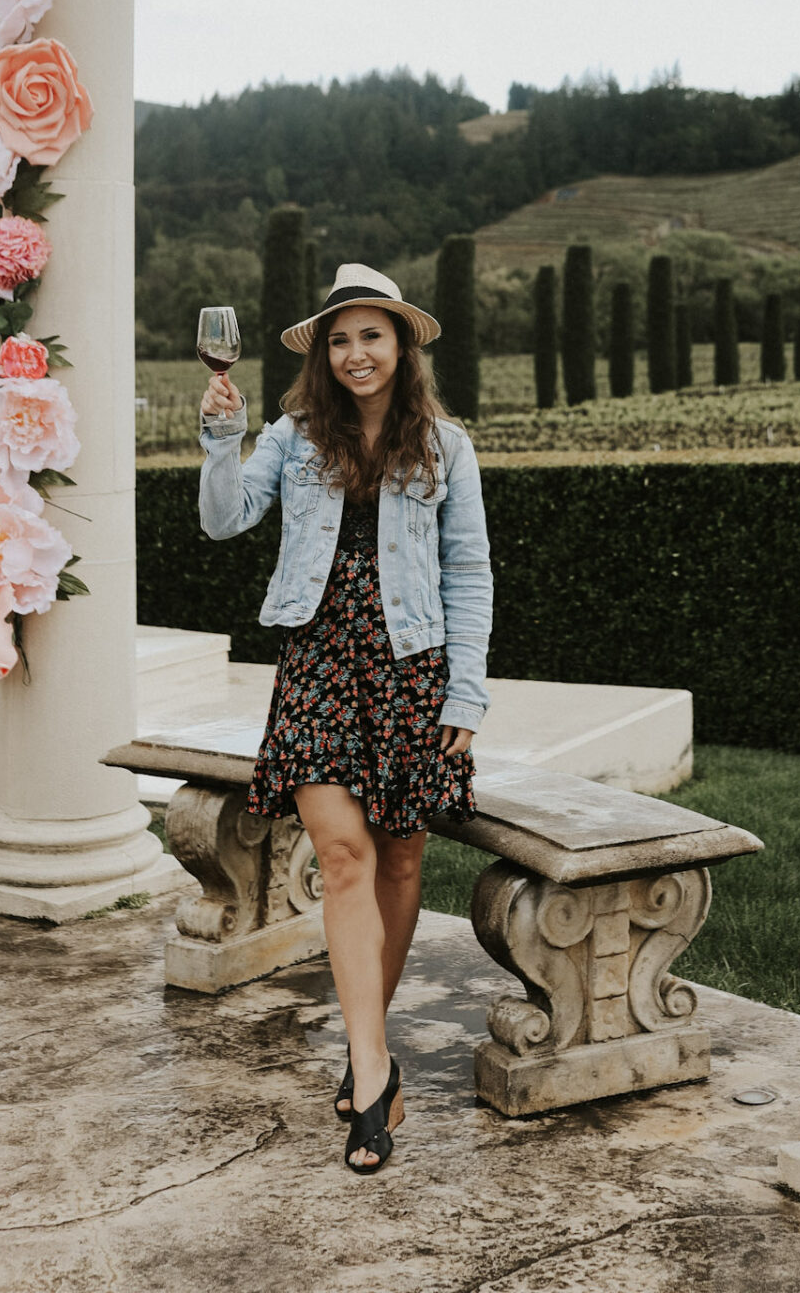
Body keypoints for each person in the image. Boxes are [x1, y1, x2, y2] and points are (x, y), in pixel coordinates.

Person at [197, 262, 491, 1176]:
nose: (356, 352)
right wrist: (221, 437)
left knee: (401, 855)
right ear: (322, 354)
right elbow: (224, 520)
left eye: (373, 334)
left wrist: (466, 693)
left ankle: (370, 1043)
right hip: (320, 664)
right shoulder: (293, 437)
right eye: (340, 338)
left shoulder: (447, 446)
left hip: (412, 670)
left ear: (402, 345)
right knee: (343, 853)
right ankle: (371, 1077)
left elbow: (468, 573)